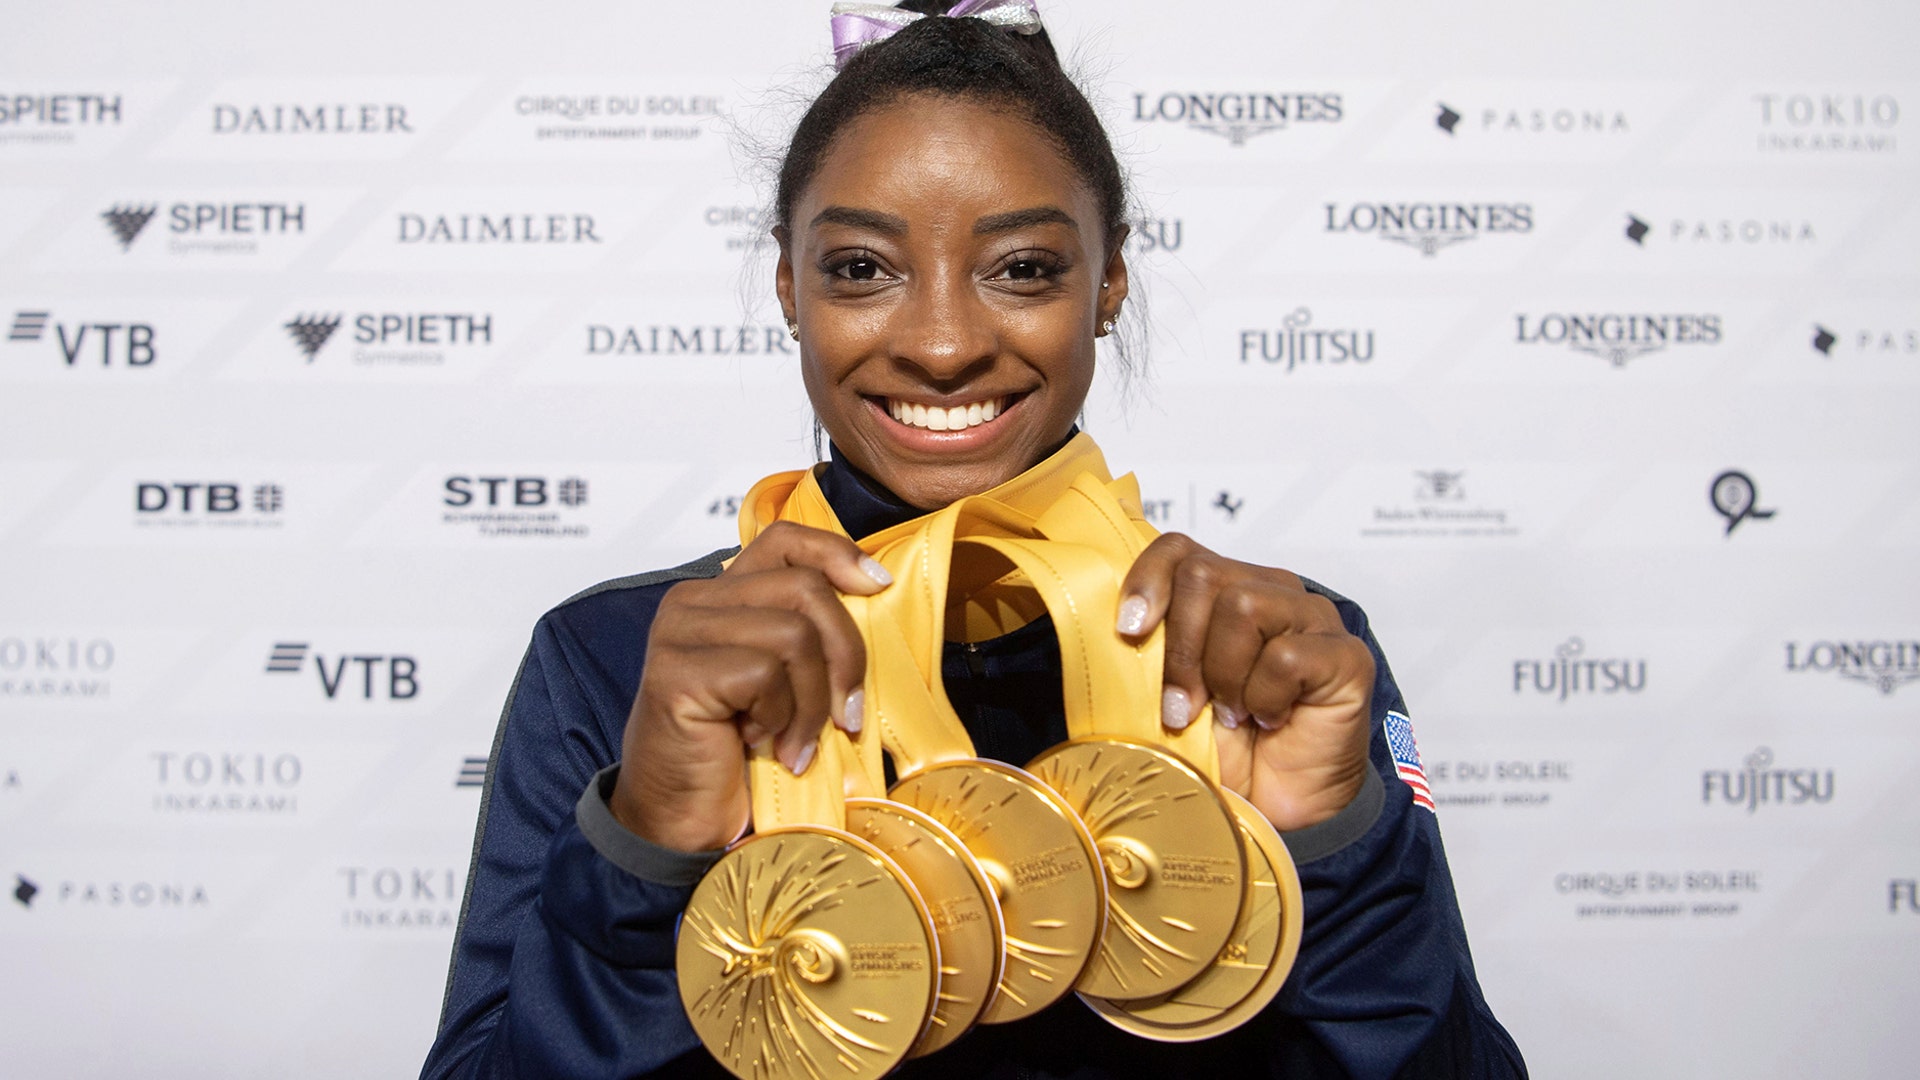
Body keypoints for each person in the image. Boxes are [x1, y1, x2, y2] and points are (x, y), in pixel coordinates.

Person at [421, 3, 1526, 1077]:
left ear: (1109, 283)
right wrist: (651, 843)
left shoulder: (1268, 659)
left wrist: (1331, 841)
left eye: (1023, 268)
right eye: (861, 268)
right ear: (787, 285)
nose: (943, 344)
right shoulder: (621, 657)